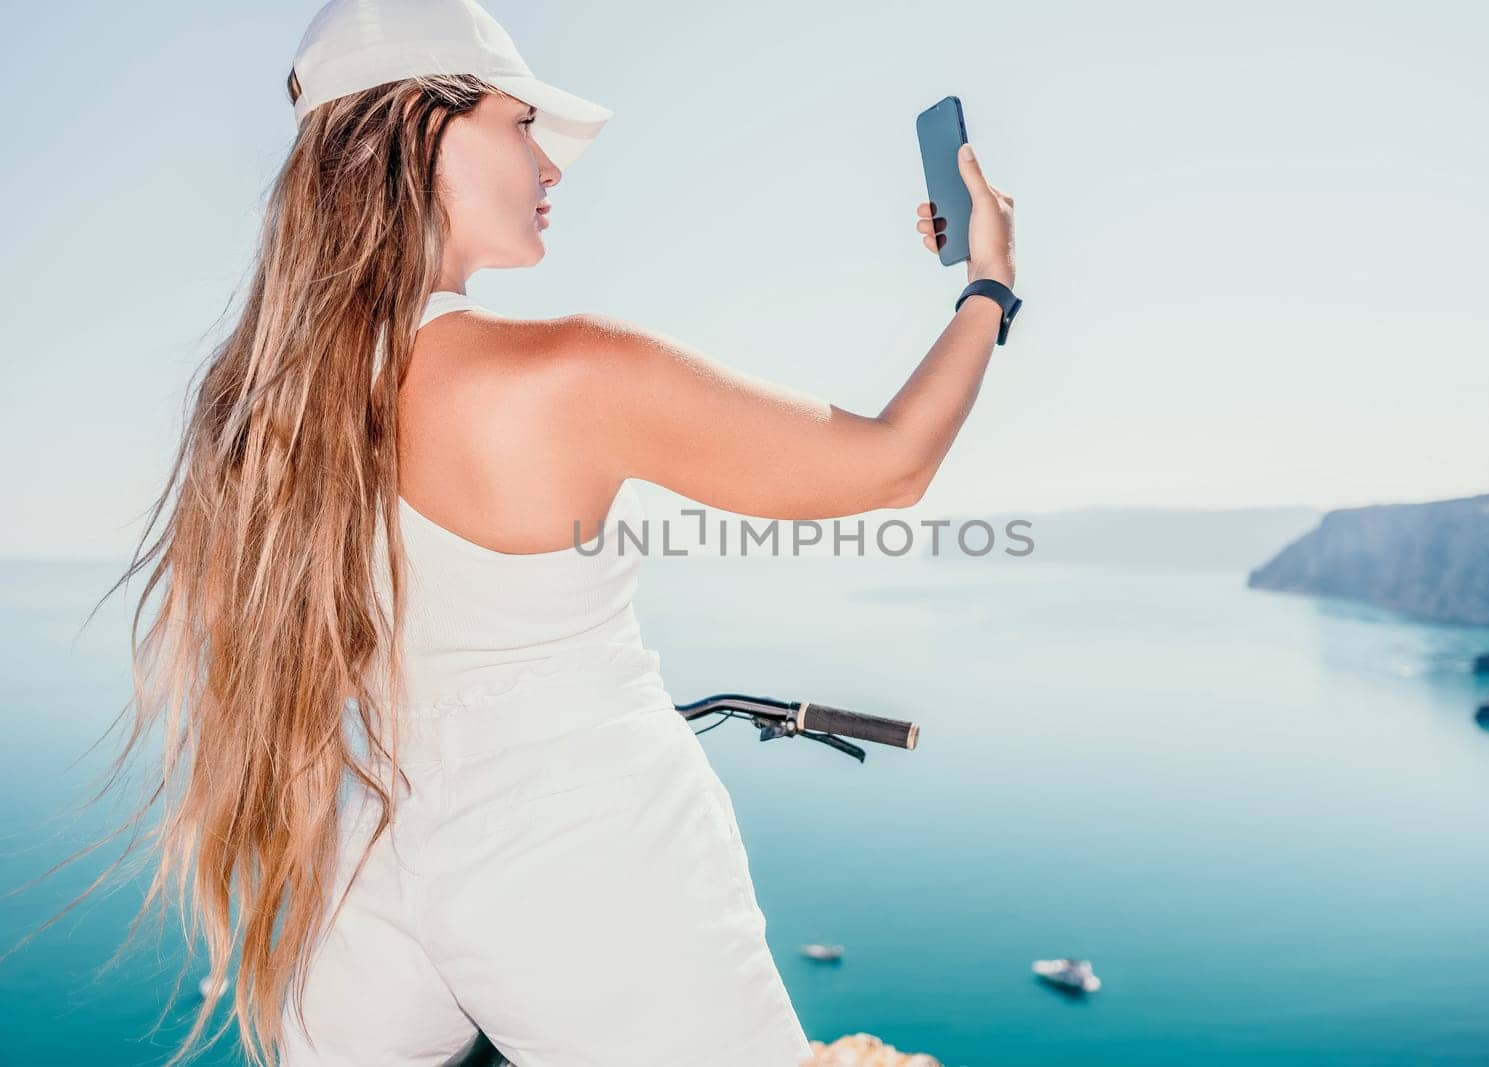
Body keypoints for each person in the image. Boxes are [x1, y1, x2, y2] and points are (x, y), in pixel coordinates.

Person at [62, 1, 1018, 1064]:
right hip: (593, 871)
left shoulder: (268, 410)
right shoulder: (564, 371)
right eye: (521, 124)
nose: (549, 166)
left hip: (372, 875)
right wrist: (988, 284)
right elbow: (891, 464)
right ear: (426, 129)